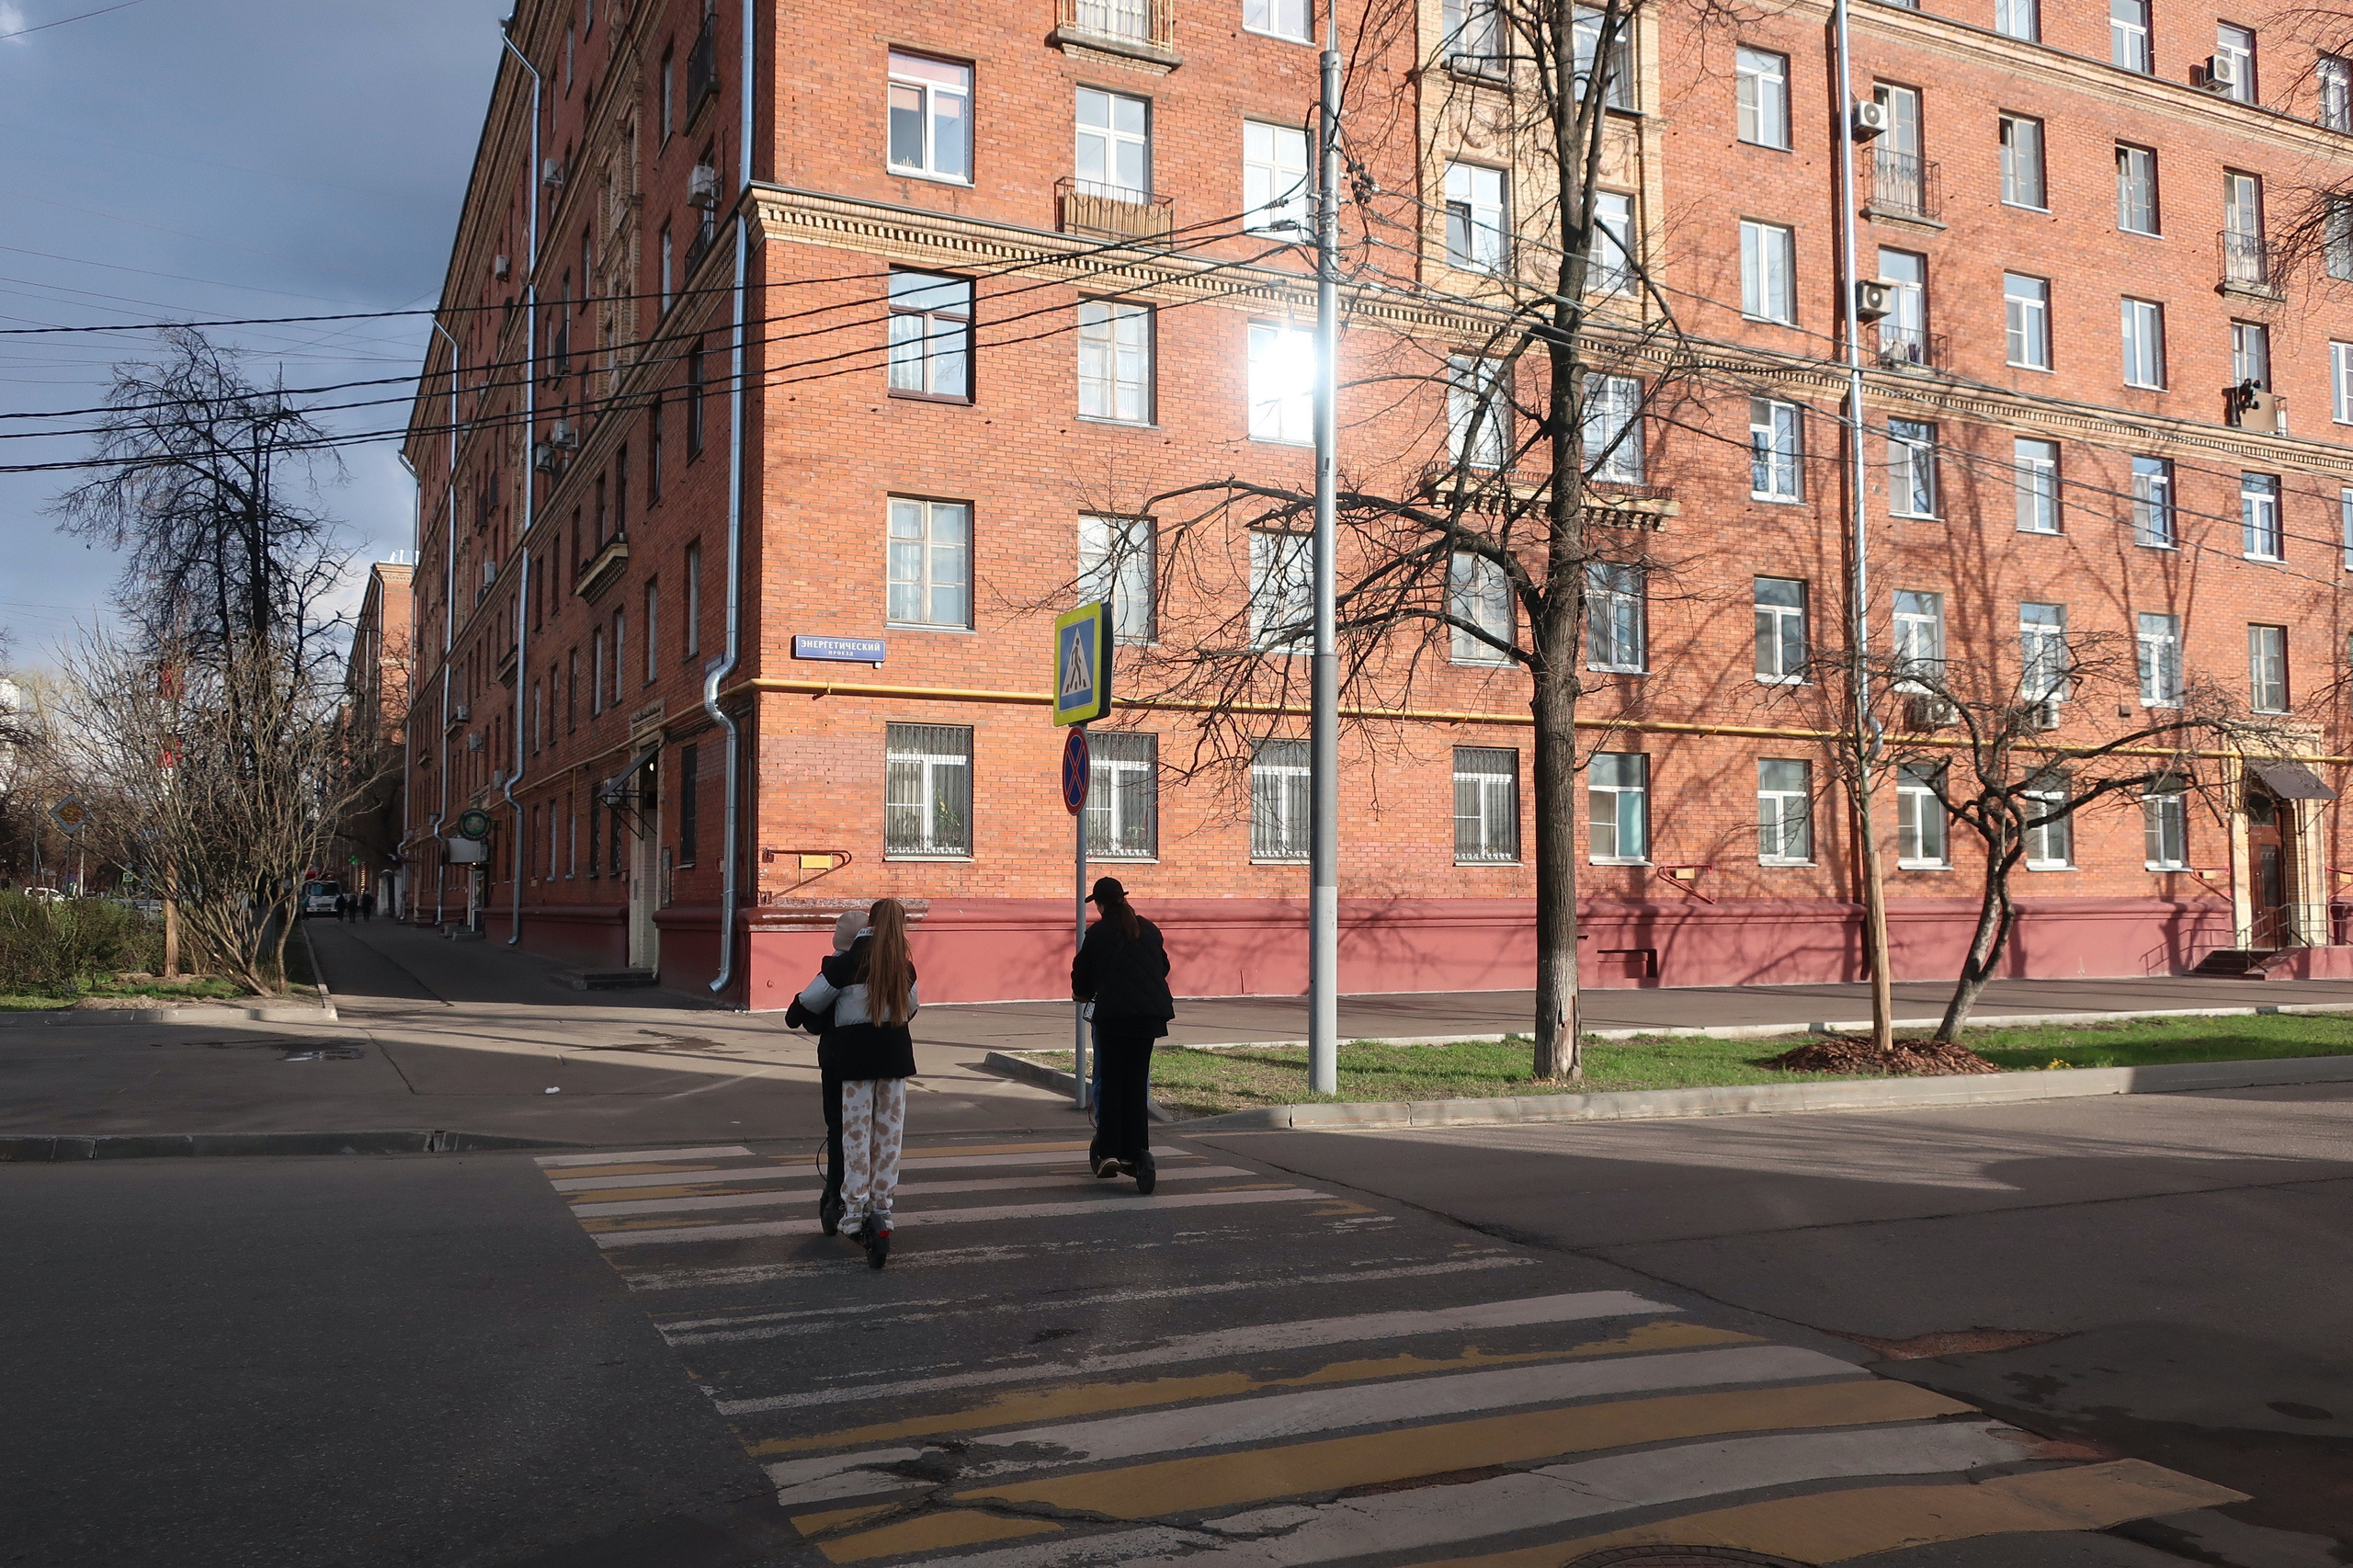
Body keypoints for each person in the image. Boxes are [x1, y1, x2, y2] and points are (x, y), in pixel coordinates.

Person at [793, 899, 918, 1267]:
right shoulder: (905, 967)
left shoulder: (844, 964)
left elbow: (806, 1005)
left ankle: (853, 1211)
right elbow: (911, 1009)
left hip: (854, 1065)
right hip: (895, 1062)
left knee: (855, 1136)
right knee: (888, 1137)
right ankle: (884, 1208)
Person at [1071, 877, 1173, 1194]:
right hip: (1149, 1018)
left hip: (1114, 1019)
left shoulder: (1098, 933)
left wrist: (1083, 994)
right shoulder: (1150, 929)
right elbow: (1163, 967)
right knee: (1135, 1083)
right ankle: (1137, 1150)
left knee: (1112, 1082)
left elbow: (1081, 974)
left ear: (1099, 905)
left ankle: (1110, 1150)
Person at [785, 909, 864, 1236]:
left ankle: (836, 1195)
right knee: (871, 1133)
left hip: (837, 1061)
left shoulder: (835, 969)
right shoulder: (888, 966)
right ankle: (869, 1199)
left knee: (839, 1130)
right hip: (884, 1063)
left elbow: (799, 1016)